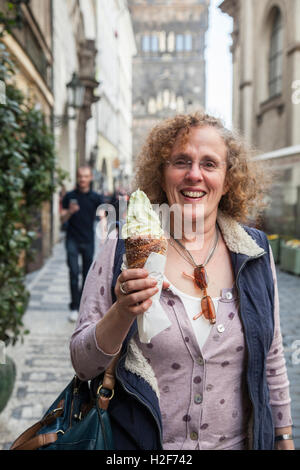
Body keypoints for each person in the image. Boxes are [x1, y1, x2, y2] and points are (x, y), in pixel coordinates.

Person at [69, 112, 294, 450]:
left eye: (209, 164)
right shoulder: (123, 247)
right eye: (181, 161)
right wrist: (122, 311)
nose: (194, 175)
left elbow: (272, 359)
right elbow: (83, 365)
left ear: (228, 180)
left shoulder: (256, 253)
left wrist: (285, 439)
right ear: (162, 173)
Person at [61, 165, 104, 323]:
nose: (82, 179)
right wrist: (69, 212)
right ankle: (73, 307)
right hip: (72, 239)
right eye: (80, 176)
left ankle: (83, 307)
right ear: (77, 177)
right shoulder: (70, 196)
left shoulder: (96, 197)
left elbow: (102, 217)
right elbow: (61, 219)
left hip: (88, 240)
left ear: (90, 178)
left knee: (87, 275)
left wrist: (104, 235)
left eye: (86, 176)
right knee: (73, 273)